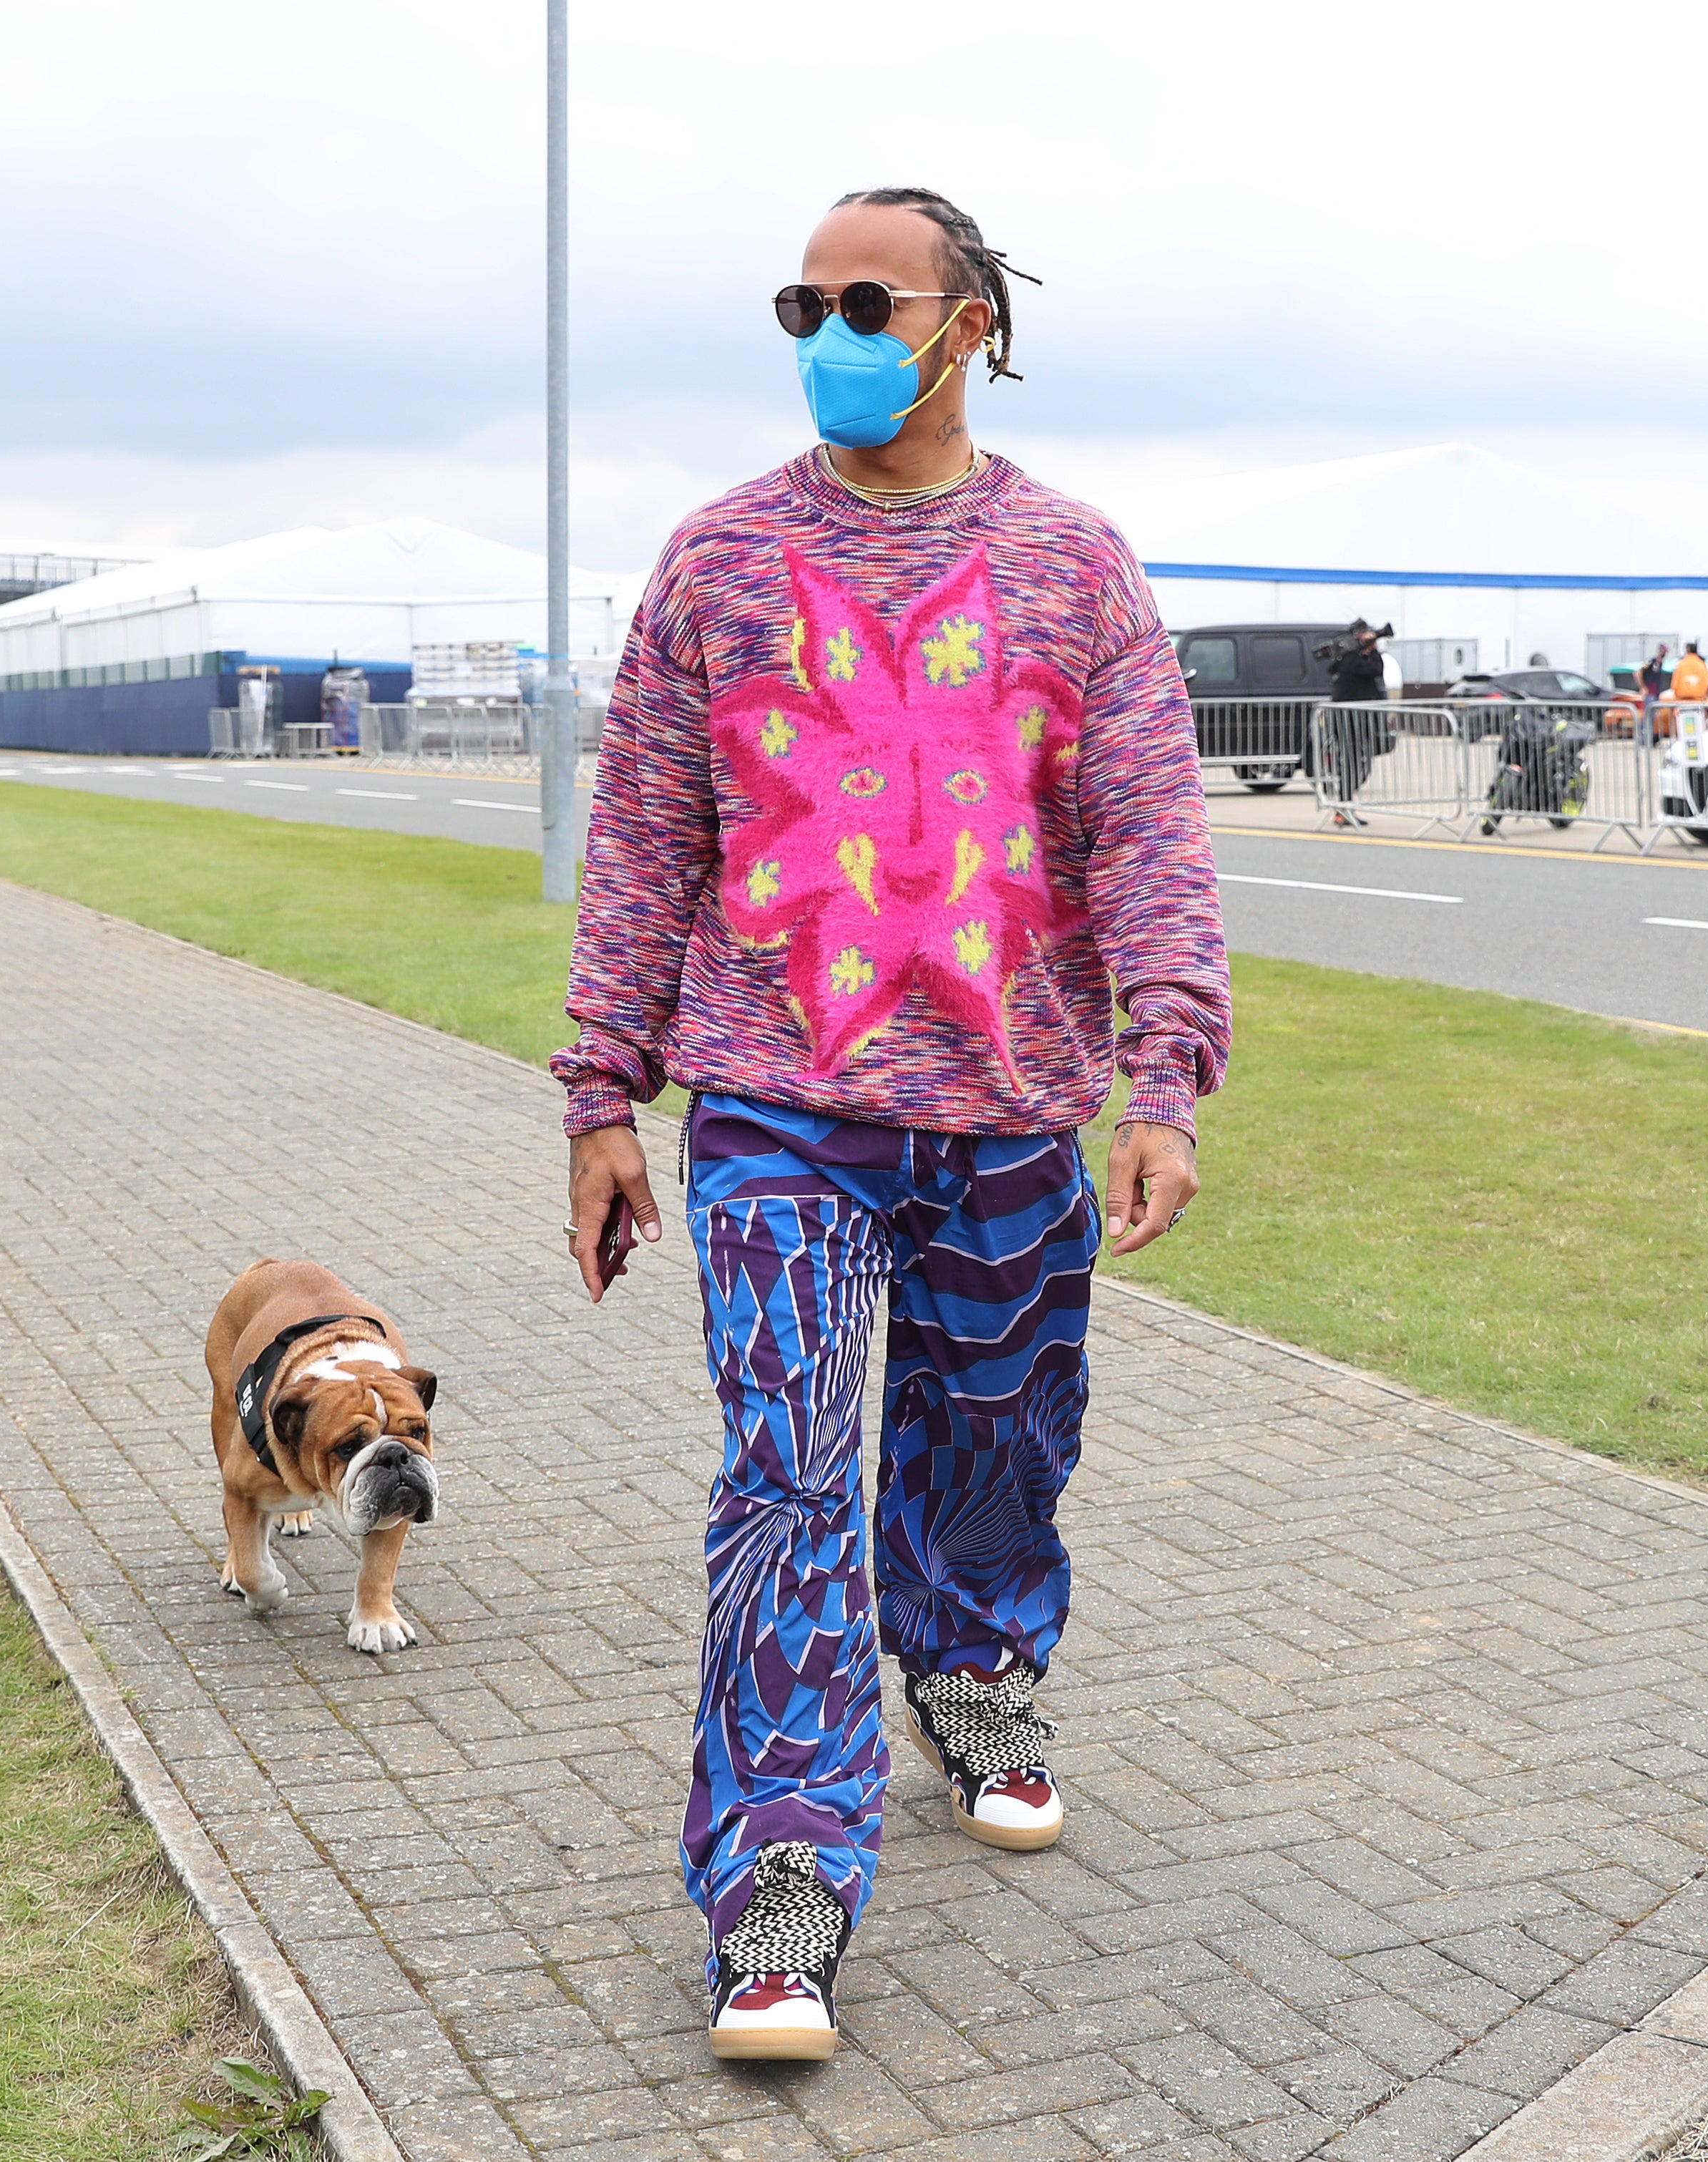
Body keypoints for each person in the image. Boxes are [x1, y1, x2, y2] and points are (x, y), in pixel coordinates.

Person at [552, 185, 1229, 2064]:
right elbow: (640, 848)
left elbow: (1147, 841)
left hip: (1010, 1113)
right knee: (783, 1469)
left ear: (967, 327)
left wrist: (1161, 1072)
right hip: (776, 1114)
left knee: (1000, 1430)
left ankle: (978, 1659)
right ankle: (776, 1874)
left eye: (868, 296)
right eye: (802, 298)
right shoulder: (713, 562)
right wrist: (603, 1090)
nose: (830, 326)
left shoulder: (1073, 569)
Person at [1319, 620, 1392, 827]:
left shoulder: (1353, 658)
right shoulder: (1350, 659)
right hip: (1347, 720)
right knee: (1349, 766)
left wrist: (1369, 650)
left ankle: (1344, 809)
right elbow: (1374, 670)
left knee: (1354, 766)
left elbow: (1375, 670)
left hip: (1357, 720)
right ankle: (1343, 810)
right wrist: (1370, 651)